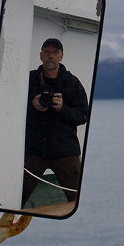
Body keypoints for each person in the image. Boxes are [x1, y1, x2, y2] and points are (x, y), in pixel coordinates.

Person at [21, 38, 88, 209]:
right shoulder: (28, 80)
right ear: (41, 55)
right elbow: (11, 109)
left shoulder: (72, 83)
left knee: (79, 198)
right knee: (16, 196)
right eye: (47, 52)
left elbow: (83, 116)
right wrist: (33, 105)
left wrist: (62, 108)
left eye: (55, 52)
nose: (51, 56)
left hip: (65, 151)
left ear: (61, 56)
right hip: (34, 150)